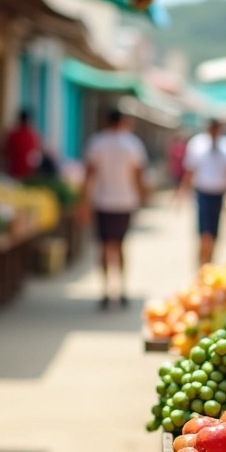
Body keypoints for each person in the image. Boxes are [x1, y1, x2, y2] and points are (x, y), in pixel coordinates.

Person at [80, 109, 148, 310]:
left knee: (104, 246)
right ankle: (122, 289)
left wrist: (83, 202)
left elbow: (89, 175)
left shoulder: (97, 142)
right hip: (125, 202)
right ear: (123, 121)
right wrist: (142, 198)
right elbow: (138, 176)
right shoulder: (132, 143)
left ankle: (105, 291)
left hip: (102, 202)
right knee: (120, 246)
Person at [177, 120, 226, 266]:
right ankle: (202, 262)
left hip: (219, 194)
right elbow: (190, 170)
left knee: (216, 232)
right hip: (202, 193)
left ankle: (210, 262)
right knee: (204, 232)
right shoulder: (197, 144)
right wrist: (182, 191)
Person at [2, 108, 41, 180]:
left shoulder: (12, 135)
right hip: (27, 176)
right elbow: (36, 157)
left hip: (13, 174)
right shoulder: (33, 136)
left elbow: (3, 152)